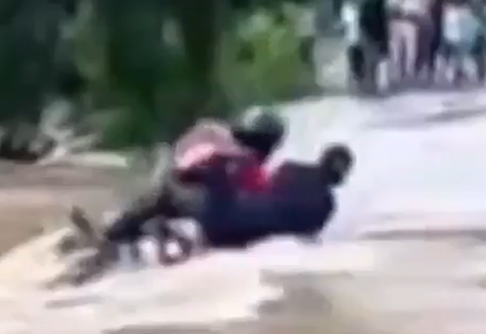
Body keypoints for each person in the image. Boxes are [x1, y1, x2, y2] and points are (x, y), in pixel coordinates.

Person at [93, 107, 287, 249]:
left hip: (172, 186)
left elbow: (182, 158)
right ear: (267, 143)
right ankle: (134, 232)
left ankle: (111, 235)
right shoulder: (245, 159)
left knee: (142, 210)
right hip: (200, 201)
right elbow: (259, 192)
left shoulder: (214, 135)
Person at [191, 143, 354, 250]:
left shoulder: (290, 168)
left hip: (227, 217)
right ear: (343, 174)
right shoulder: (326, 204)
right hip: (247, 232)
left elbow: (263, 189)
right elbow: (305, 236)